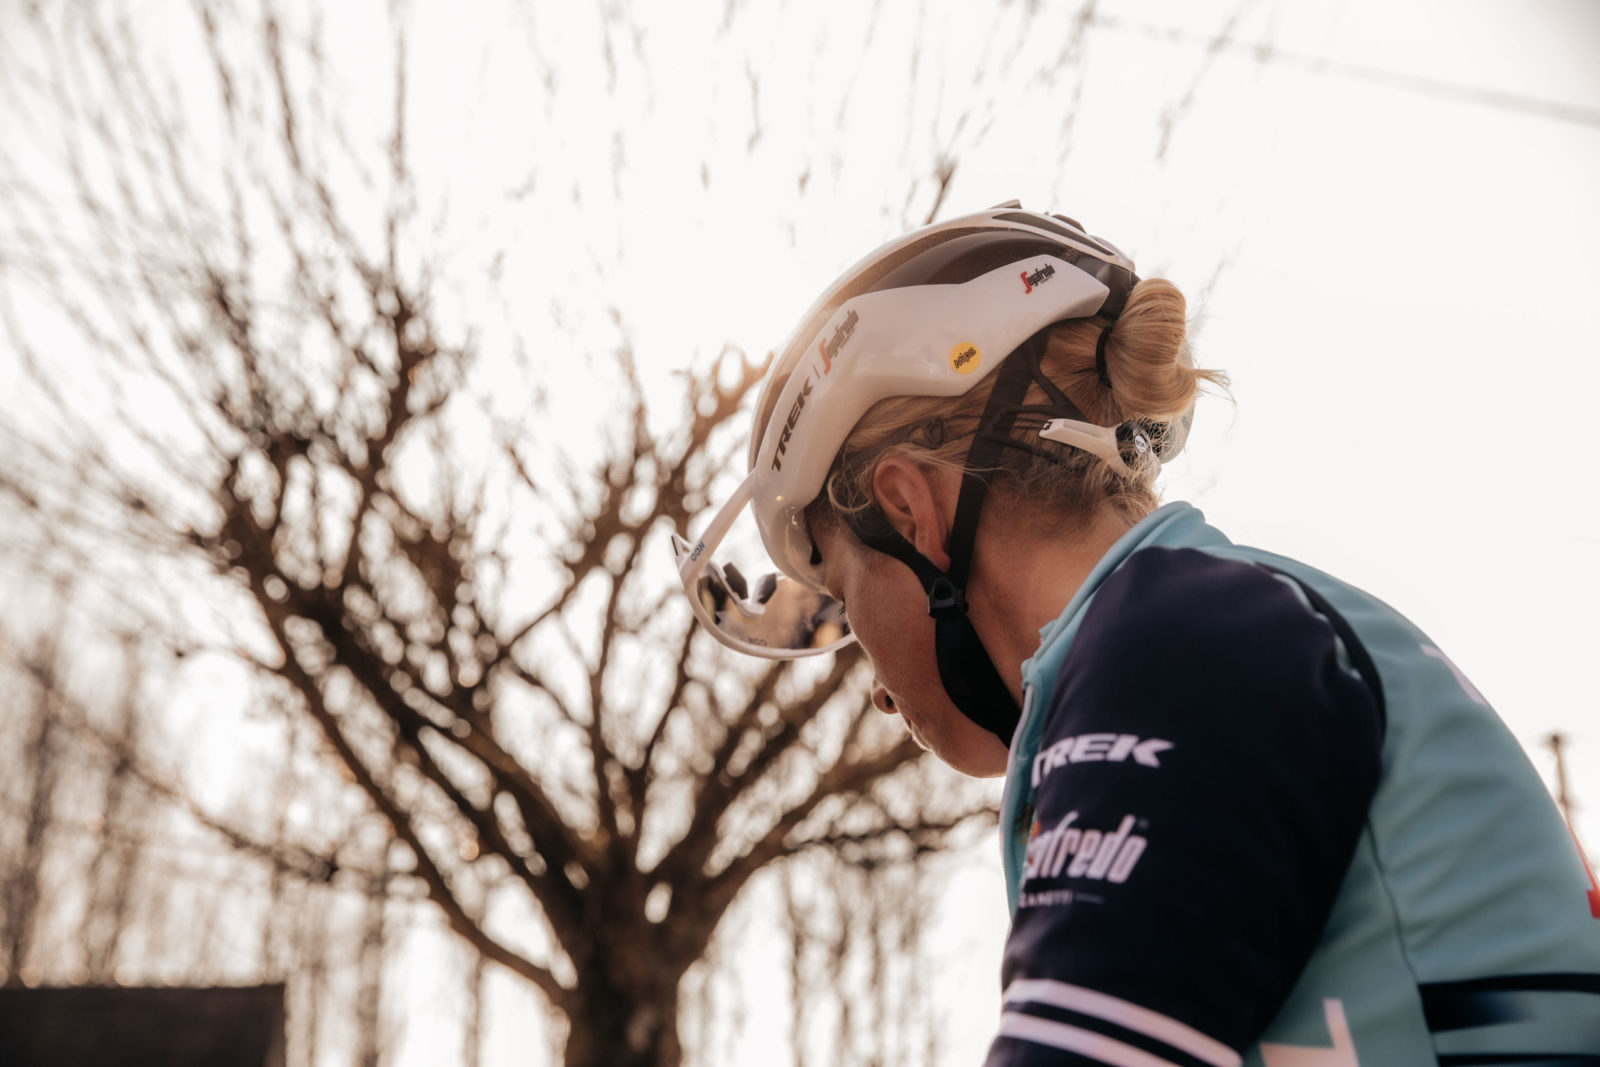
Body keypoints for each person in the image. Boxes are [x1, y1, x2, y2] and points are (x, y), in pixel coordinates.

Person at [673, 203, 1600, 1065]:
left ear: (911, 511)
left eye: (844, 595)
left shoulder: (1174, 655)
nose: (875, 684)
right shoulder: (1219, 622)